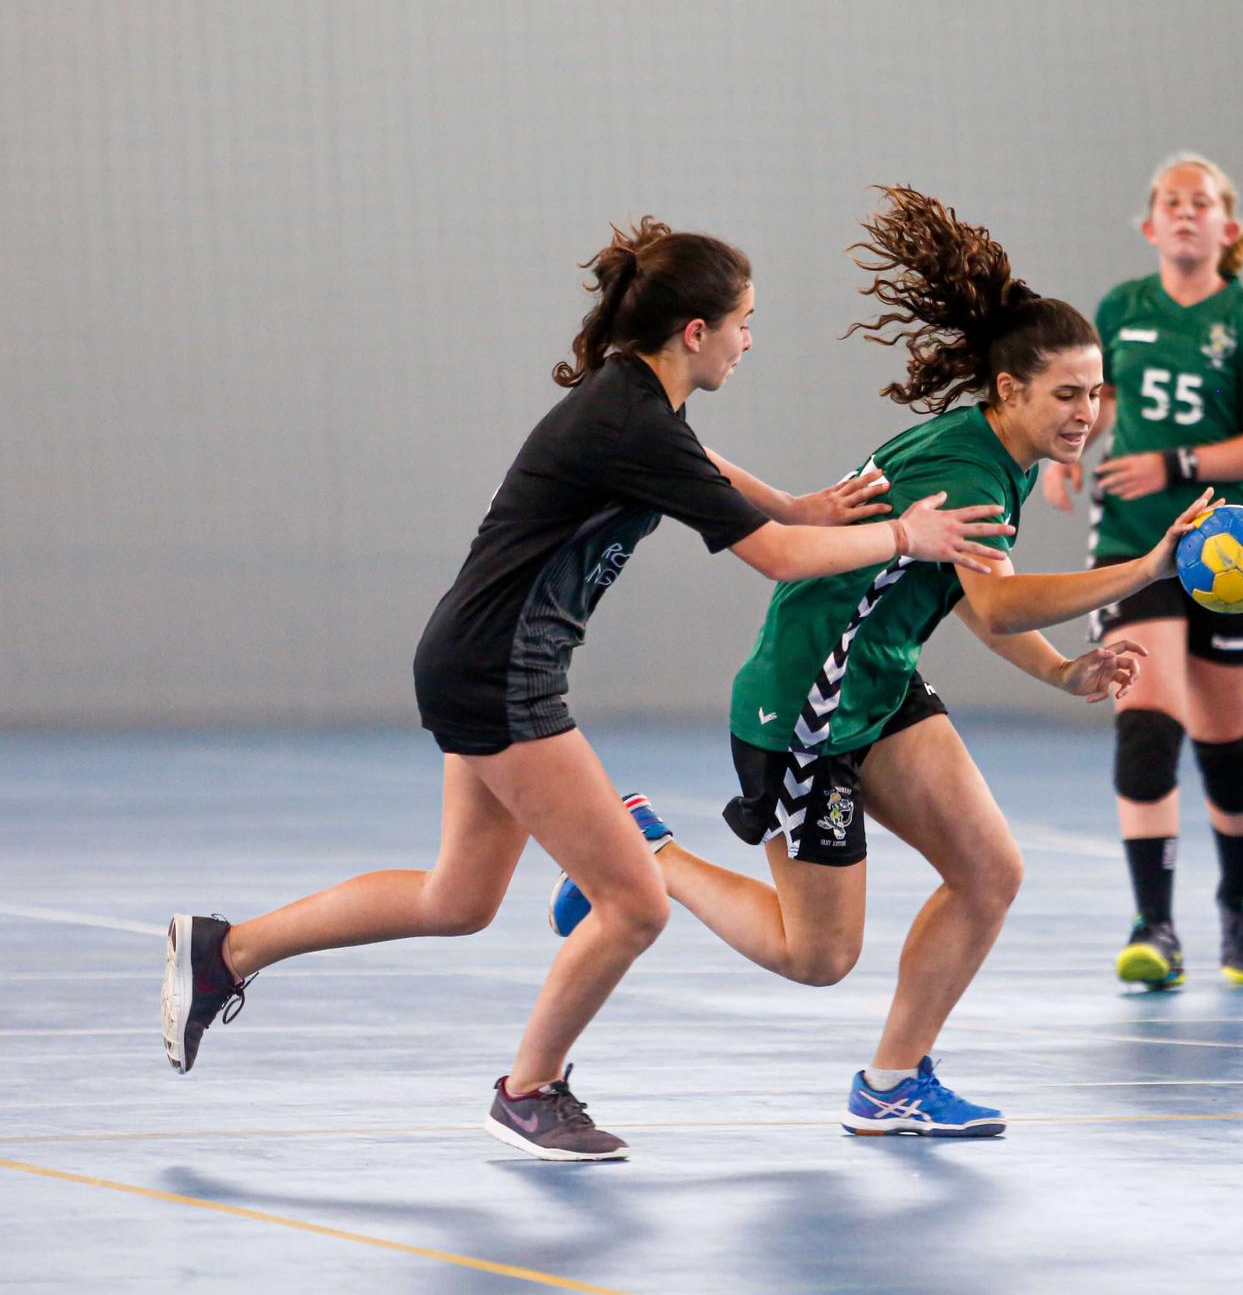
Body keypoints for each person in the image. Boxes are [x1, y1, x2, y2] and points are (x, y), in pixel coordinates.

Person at [160, 218, 1015, 1160]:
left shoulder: (637, 407)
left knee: (458, 898)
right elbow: (778, 562)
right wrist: (903, 537)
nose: (749, 339)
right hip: (502, 676)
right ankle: (529, 1088)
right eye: (744, 322)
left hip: (471, 660)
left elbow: (707, 473)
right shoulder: (629, 419)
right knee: (635, 903)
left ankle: (224, 951)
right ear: (696, 331)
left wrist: (800, 501)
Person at [548, 187, 1216, 1135]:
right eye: (1066, 393)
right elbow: (996, 599)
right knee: (817, 956)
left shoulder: (1005, 457)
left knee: (989, 871)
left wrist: (1064, 671)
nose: (1085, 411)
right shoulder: (973, 467)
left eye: (1095, 391)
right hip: (805, 708)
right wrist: (1144, 569)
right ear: (1010, 391)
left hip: (880, 680)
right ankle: (644, 847)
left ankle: (893, 1084)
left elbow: (977, 601)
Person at [1041, 153, 1243, 989]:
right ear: (1151, 226)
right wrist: (1069, 449)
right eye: (1171, 202)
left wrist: (1177, 463)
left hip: (1226, 549)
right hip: (1132, 543)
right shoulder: (1121, 308)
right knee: (1147, 724)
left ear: (1229, 227)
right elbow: (1098, 396)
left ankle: (1241, 898)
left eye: (1204, 202)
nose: (1186, 212)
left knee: (1227, 744)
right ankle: (1154, 922)